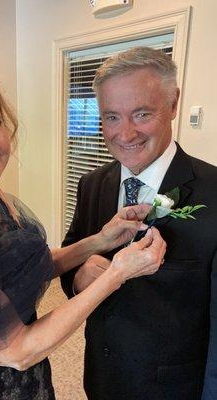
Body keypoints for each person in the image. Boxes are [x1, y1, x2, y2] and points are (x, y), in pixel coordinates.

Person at [0, 52, 166, 400]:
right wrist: (116, 274)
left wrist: (99, 240)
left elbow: (27, 268)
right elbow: (17, 350)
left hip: (32, 382)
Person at [61, 46, 217, 400]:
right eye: (111, 117)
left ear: (173, 104)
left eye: (141, 114)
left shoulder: (216, 193)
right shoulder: (92, 184)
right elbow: (72, 259)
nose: (124, 133)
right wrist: (78, 278)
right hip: (100, 377)